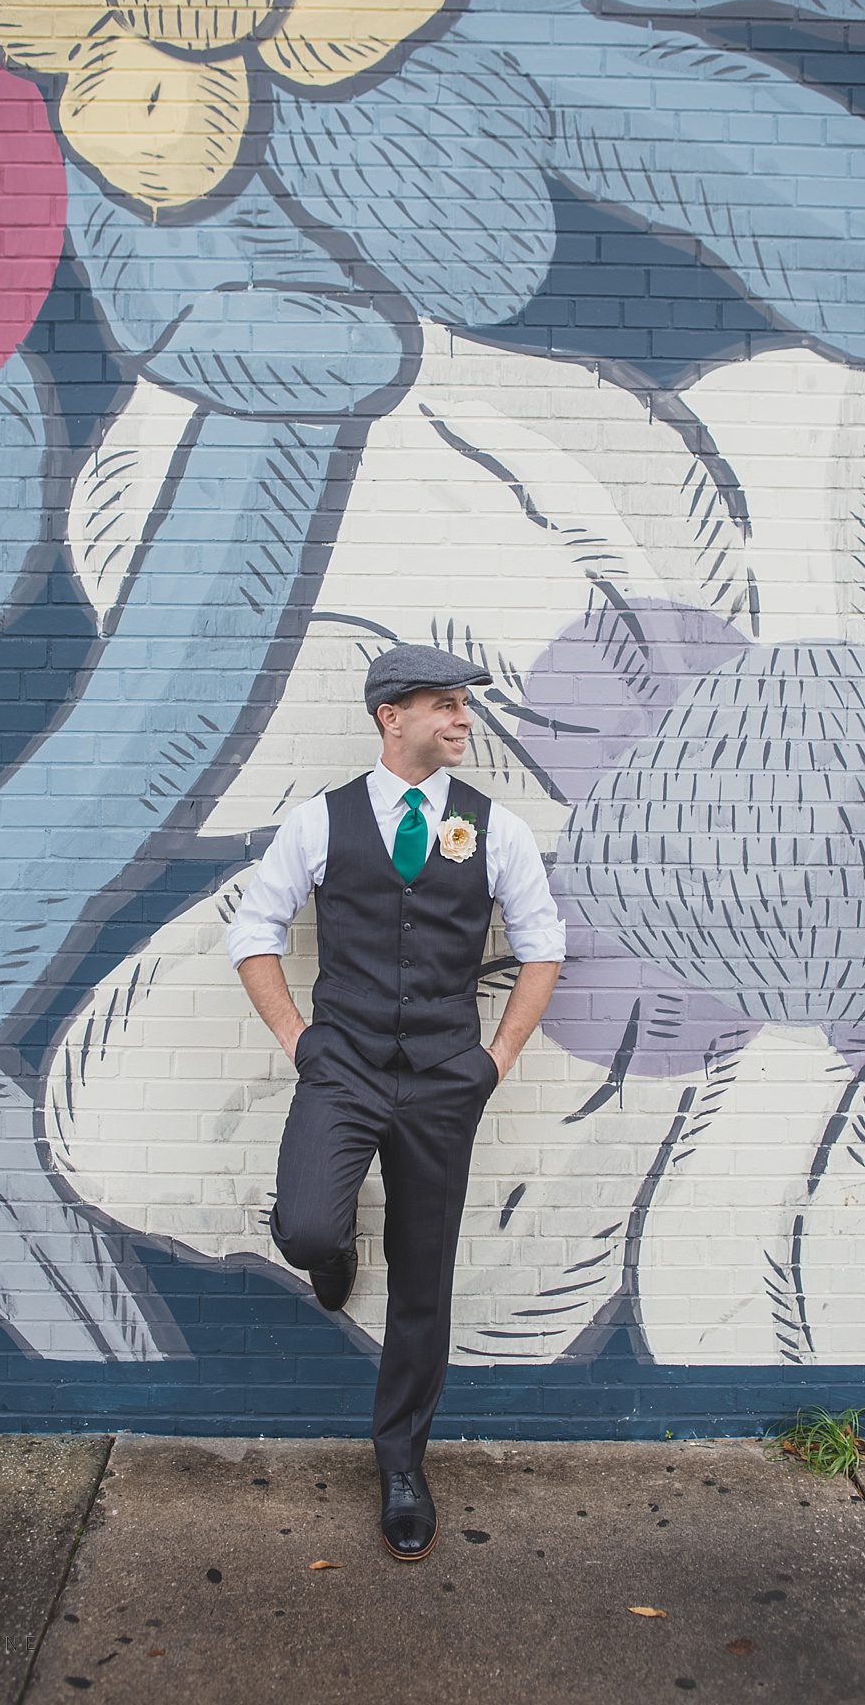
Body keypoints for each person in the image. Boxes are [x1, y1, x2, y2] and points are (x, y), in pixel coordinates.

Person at [226, 645, 565, 1560]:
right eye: (445, 705)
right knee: (303, 1225)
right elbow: (253, 931)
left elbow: (542, 949)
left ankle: (403, 1462)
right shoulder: (320, 822)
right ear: (392, 716)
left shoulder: (495, 828)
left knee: (423, 1279)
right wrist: (300, 1038)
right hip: (342, 1067)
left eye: (464, 705)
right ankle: (327, 1251)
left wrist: (493, 1061)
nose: (463, 720)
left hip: (445, 1079)